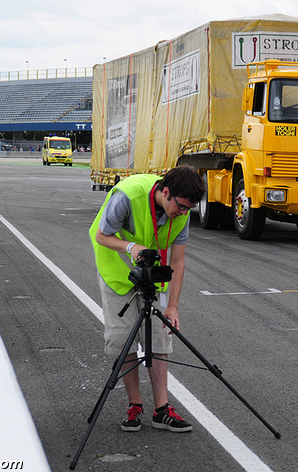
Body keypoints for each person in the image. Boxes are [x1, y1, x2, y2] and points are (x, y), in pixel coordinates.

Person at [89, 165, 205, 433]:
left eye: (189, 209)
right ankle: (135, 405)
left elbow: (178, 260)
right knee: (124, 338)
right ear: (166, 192)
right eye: (182, 207)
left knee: (160, 336)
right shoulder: (127, 196)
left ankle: (162, 409)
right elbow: (101, 235)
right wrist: (131, 247)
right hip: (117, 270)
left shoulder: (181, 211)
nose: (184, 213)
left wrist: (173, 307)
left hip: (153, 275)